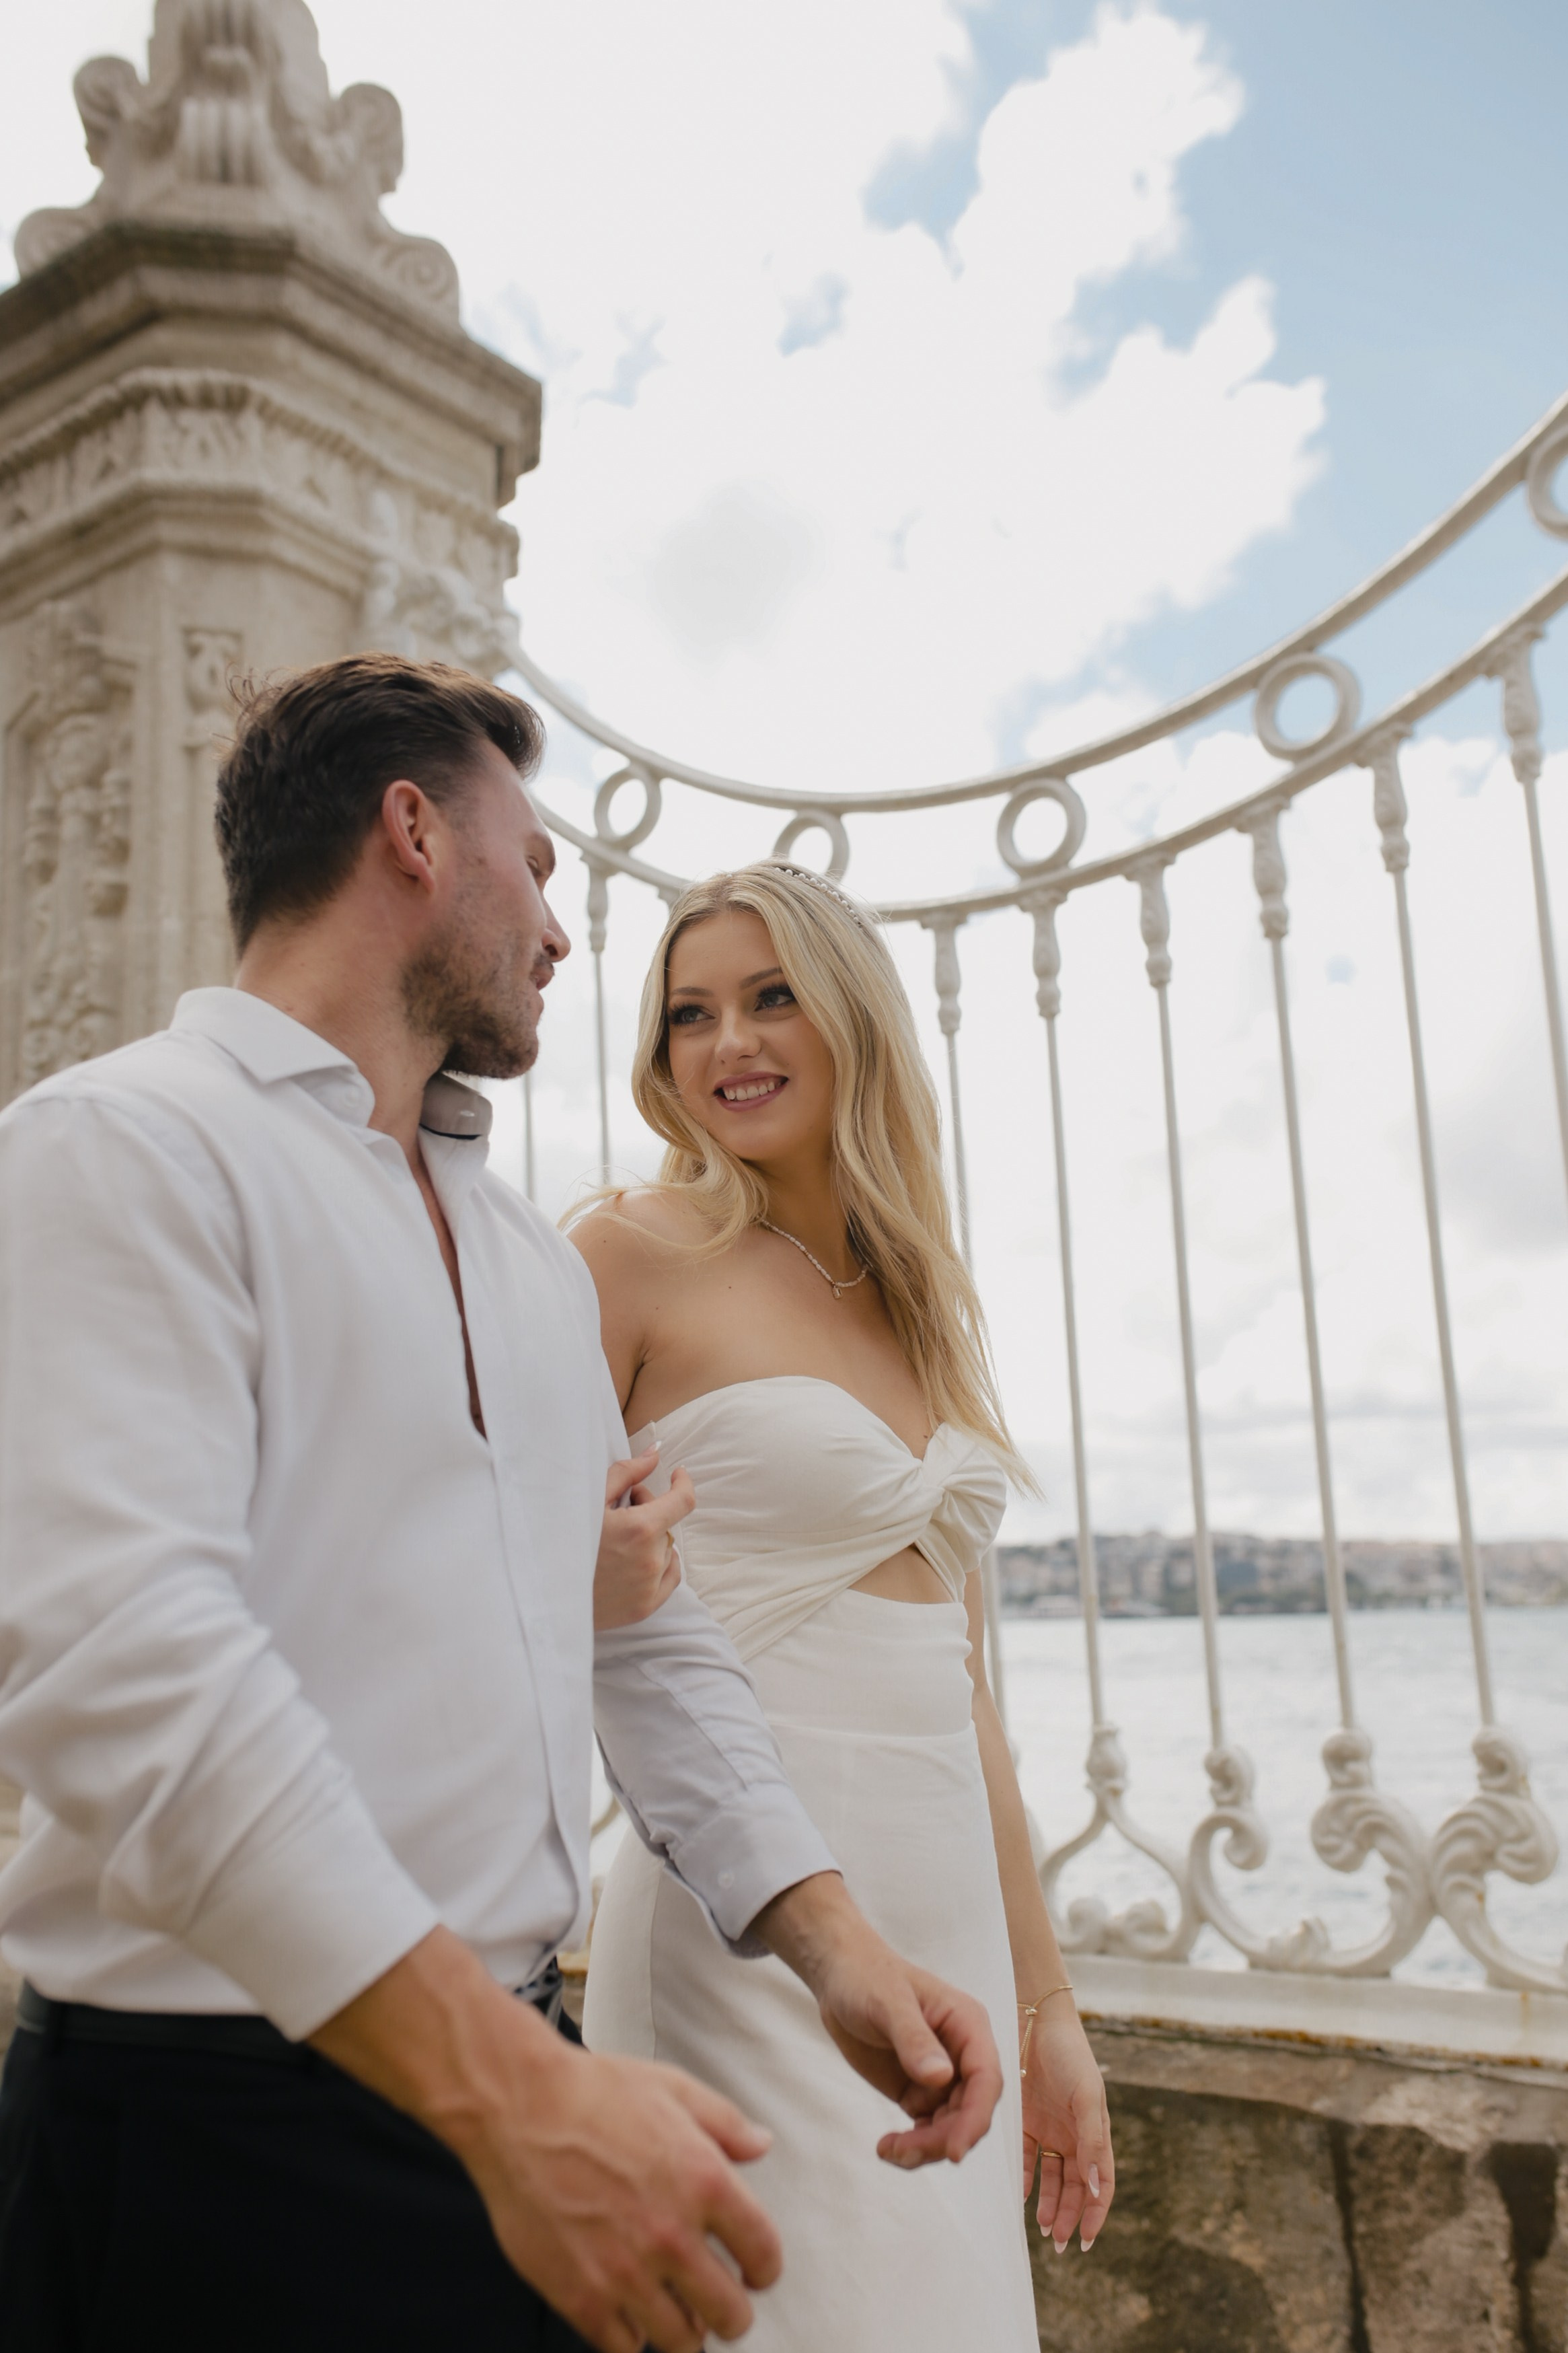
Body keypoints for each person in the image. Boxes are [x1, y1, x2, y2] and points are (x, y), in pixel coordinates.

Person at [0, 657, 1006, 2353]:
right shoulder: (115, 1152)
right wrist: (510, 2097)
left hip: (514, 2098)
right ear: (413, 833)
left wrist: (833, 1944)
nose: (557, 930)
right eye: (533, 868)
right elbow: (126, 1676)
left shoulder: (527, 1263)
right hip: (209, 2133)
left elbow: (647, 1638)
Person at [573, 860, 1115, 2352]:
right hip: (746, 1924)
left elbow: (965, 1695)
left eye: (769, 998)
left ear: (853, 1019)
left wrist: (1046, 2007)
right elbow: (503, 1576)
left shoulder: (919, 1303)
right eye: (688, 1015)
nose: (727, 1045)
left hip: (945, 1926)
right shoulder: (624, 1254)